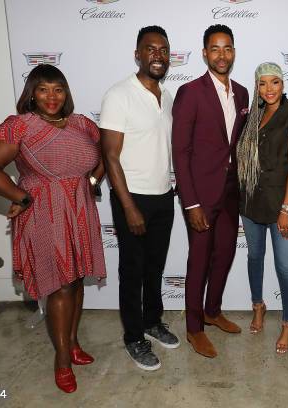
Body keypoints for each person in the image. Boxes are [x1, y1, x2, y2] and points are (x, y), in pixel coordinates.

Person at [0, 64, 106, 393]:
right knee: (61, 285)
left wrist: (89, 182)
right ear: (31, 92)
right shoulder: (19, 126)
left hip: (79, 210)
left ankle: (73, 344)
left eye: (58, 89)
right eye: (43, 89)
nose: (51, 96)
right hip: (45, 212)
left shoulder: (82, 125)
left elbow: (102, 157)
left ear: (66, 93)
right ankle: (62, 360)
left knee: (76, 281)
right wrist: (22, 196)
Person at [99, 26, 179, 372]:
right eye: (150, 49)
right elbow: (110, 155)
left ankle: (151, 321)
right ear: (137, 54)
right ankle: (134, 337)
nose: (157, 55)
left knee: (155, 268)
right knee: (132, 272)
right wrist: (129, 205)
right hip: (132, 199)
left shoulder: (169, 96)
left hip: (164, 197)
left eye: (163, 49)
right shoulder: (120, 94)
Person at [172, 24, 249, 358]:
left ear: (234, 52)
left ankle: (212, 310)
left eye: (228, 48)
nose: (222, 55)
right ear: (204, 53)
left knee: (226, 254)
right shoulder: (191, 92)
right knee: (199, 261)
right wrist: (191, 203)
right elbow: (181, 152)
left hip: (231, 193)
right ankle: (193, 328)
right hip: (200, 196)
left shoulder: (244, 94)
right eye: (215, 48)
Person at [236, 62, 288, 354]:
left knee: (285, 267)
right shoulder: (252, 117)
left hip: (282, 203)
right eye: (263, 83)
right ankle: (258, 306)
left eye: (274, 83)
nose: (269, 89)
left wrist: (286, 209)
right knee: (254, 257)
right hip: (251, 202)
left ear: (283, 84)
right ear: (257, 86)